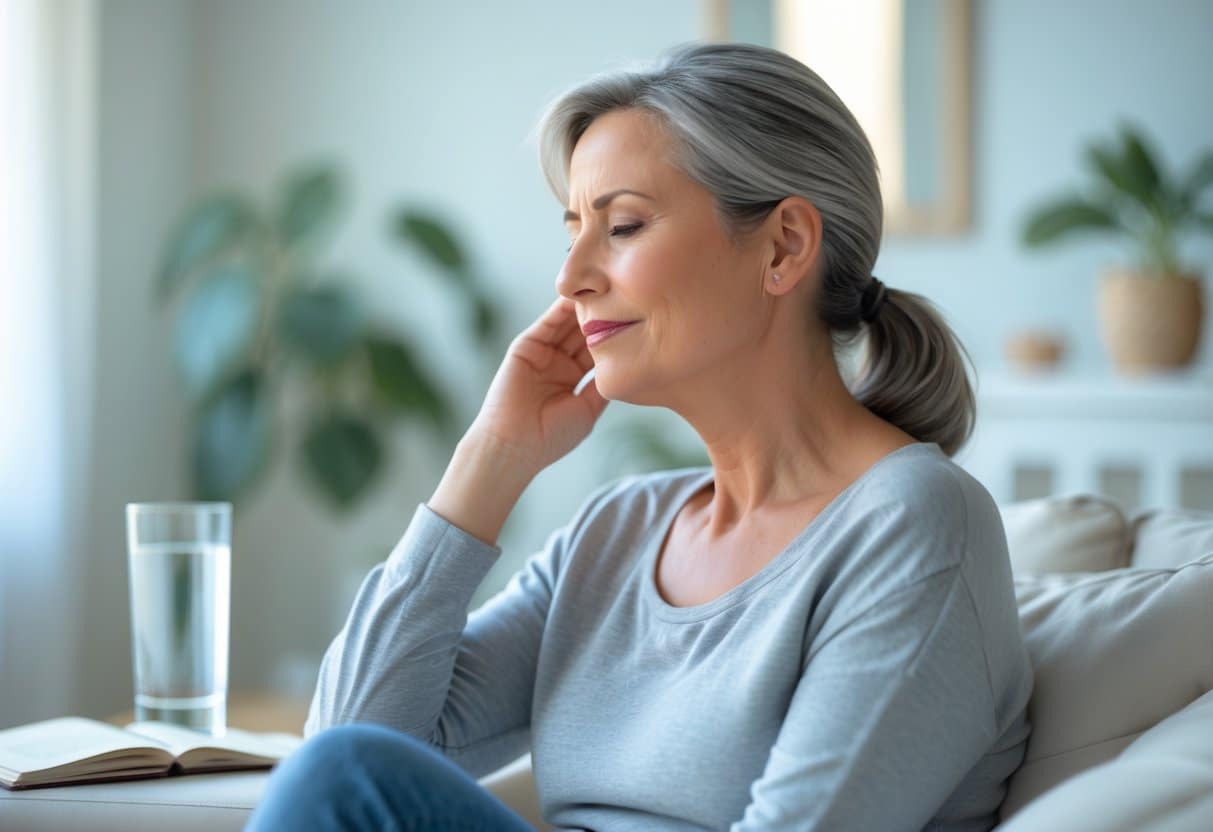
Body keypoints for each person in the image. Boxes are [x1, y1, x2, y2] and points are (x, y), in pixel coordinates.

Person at [247, 40, 1033, 831]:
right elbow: (353, 743)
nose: (570, 277)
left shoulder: (915, 522)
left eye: (622, 226)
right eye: (572, 232)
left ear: (785, 246)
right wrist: (490, 458)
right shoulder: (615, 534)